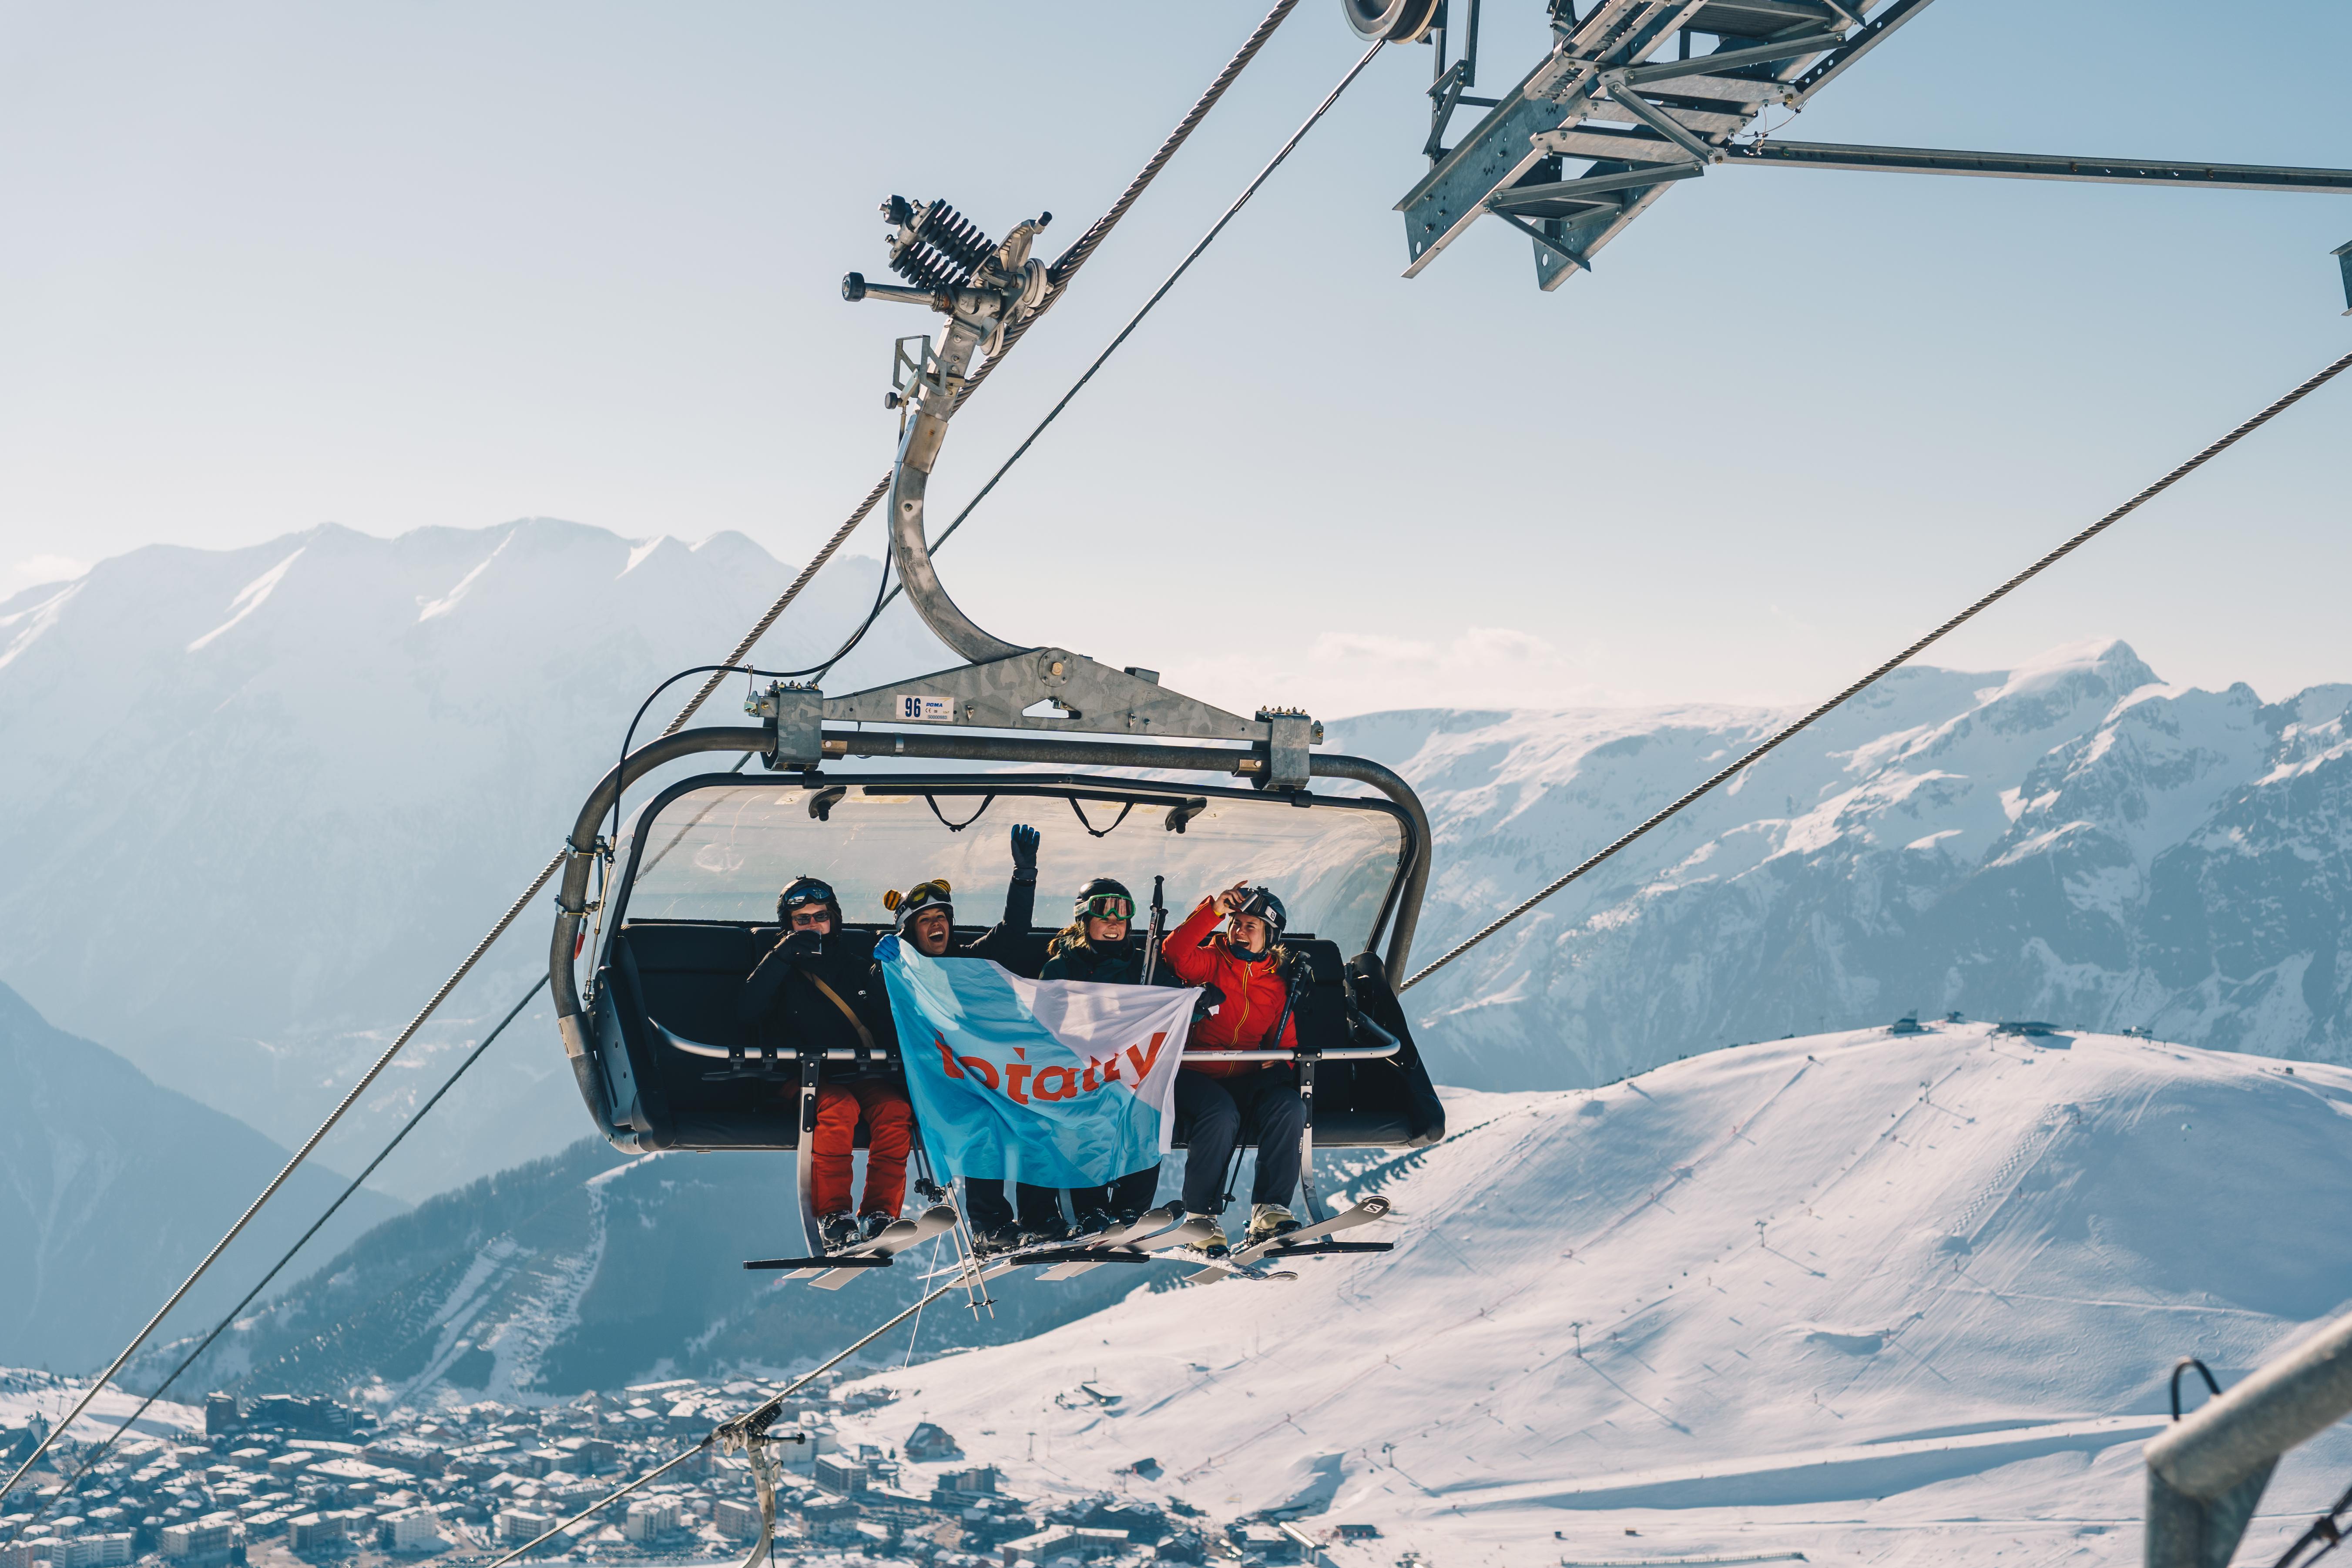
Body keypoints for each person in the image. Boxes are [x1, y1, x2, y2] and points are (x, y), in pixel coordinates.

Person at [885, 823, 1053, 1252]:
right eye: (925, 921)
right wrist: (884, 965)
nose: (937, 925)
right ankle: (989, 1226)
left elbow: (1013, 932)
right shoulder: (899, 971)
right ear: (910, 932)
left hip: (983, 1074)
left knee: (1035, 1116)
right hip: (937, 1082)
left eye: (941, 917)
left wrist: (1024, 877)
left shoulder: (968, 962)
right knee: (986, 1124)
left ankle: (1039, 1218)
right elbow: (875, 997)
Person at [737, 876, 906, 1252]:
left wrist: (892, 972)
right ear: (789, 925)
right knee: (837, 1107)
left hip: (856, 1072)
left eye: (821, 916)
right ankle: (834, 1215)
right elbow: (746, 1011)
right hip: (799, 1077)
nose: (813, 925)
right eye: (803, 919)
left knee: (895, 1109)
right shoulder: (778, 967)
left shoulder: (852, 964)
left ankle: (880, 1213)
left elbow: (884, 1017)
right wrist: (781, 956)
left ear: (834, 919)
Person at [1160, 881, 1307, 1256]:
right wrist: (1212, 910)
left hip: (1242, 1076)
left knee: (1289, 1106)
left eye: (1250, 926)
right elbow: (1175, 952)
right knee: (1220, 1113)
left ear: (1268, 936)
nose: (1239, 931)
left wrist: (1280, 1066)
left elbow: (1284, 1042)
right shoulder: (1210, 961)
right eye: (1235, 923)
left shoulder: (1275, 984)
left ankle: (1270, 1209)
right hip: (1192, 1074)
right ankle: (1200, 1219)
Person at [1039, 876, 1169, 1232]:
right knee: (1086, 1114)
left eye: (1122, 915)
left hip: (1129, 1075)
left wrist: (1199, 1004)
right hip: (1077, 1075)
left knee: (1148, 1115)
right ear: (1084, 920)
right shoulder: (1061, 969)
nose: (1114, 922)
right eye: (1104, 913)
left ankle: (1131, 1209)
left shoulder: (1146, 967)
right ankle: (1088, 1209)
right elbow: (1042, 1026)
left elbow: (1174, 1005)